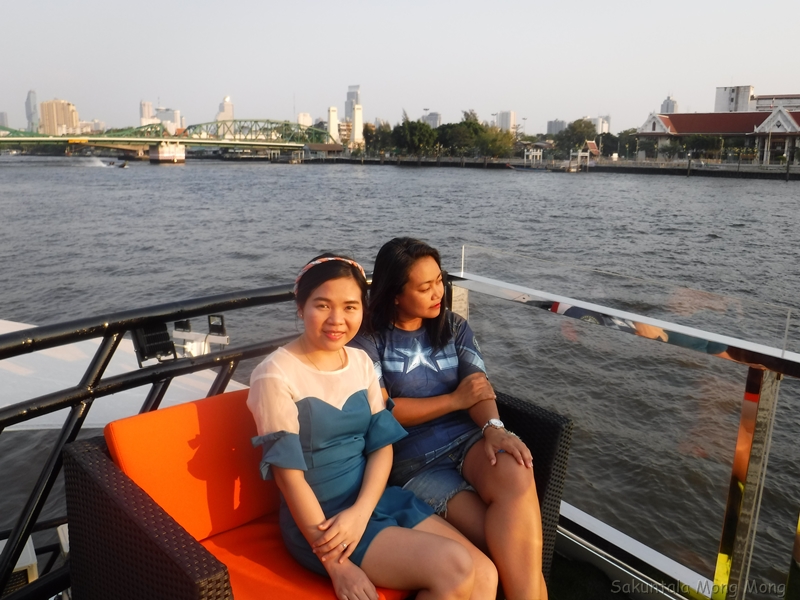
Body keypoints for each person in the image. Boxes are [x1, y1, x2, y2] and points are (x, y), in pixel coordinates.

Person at [247, 254, 497, 600]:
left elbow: (381, 446)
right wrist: (336, 564)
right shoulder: (274, 375)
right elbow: (288, 479)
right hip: (324, 522)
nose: (337, 320)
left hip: (373, 500)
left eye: (350, 307)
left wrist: (362, 511)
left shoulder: (360, 361)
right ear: (301, 307)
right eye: (322, 305)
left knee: (485, 573)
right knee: (454, 567)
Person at [351, 238, 547, 600]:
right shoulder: (369, 340)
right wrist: (454, 400)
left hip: (468, 440)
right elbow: (382, 409)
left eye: (439, 280)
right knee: (509, 546)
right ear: (396, 294)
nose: (437, 292)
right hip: (414, 460)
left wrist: (494, 428)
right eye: (424, 287)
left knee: (516, 470)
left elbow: (478, 386)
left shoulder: (453, 327)